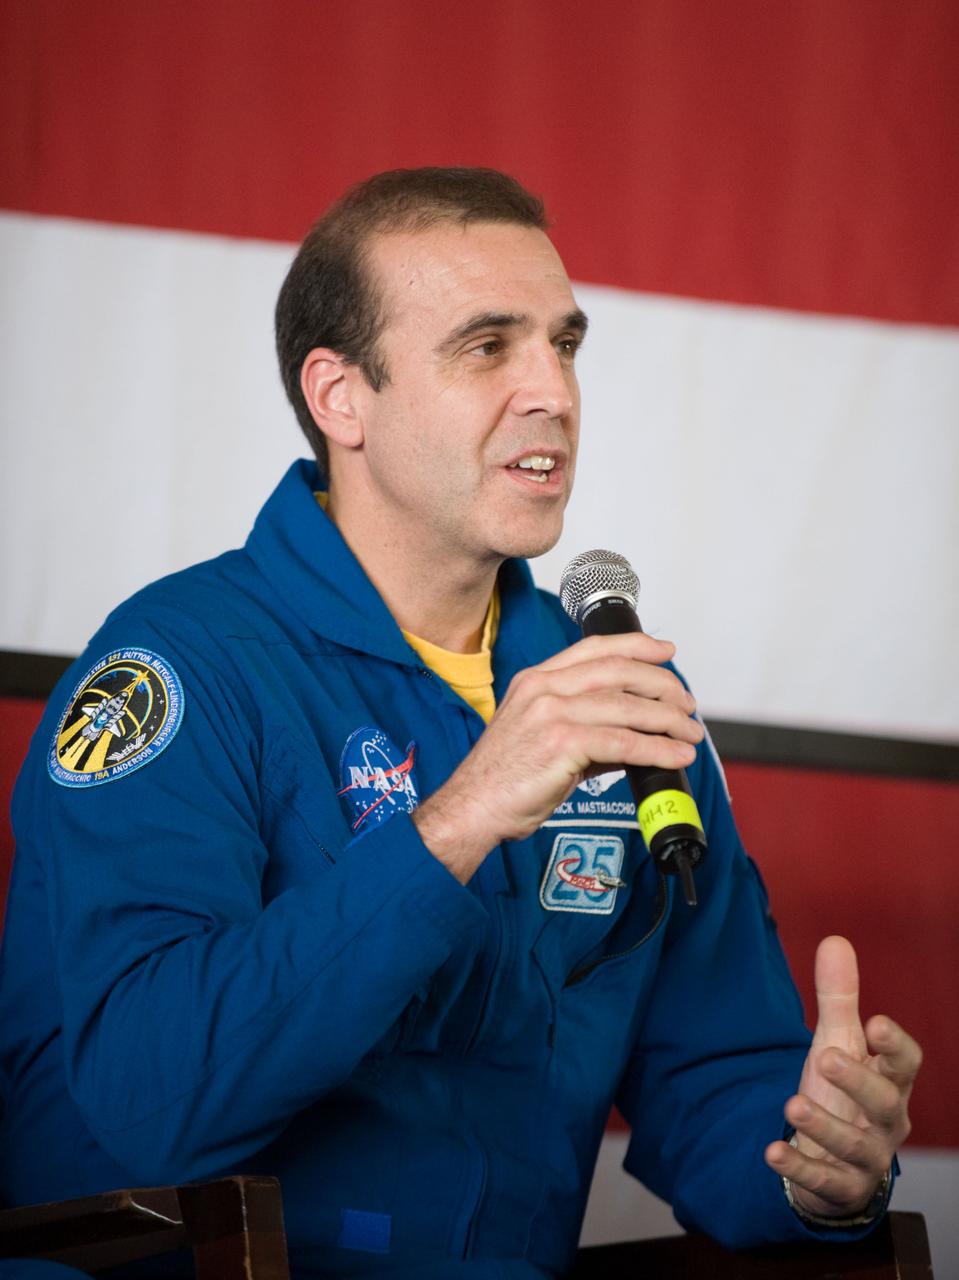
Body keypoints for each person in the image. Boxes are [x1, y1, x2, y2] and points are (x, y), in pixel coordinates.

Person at [0, 168, 920, 1279]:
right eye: (488, 346)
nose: (552, 391)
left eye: (564, 344)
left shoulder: (607, 696)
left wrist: (813, 1166)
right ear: (341, 395)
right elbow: (154, 1101)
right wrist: (458, 819)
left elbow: (714, 1074)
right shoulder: (177, 666)